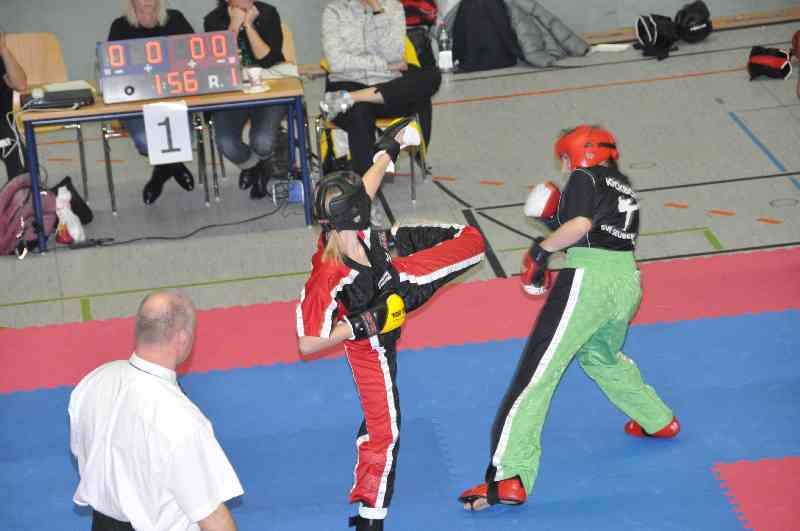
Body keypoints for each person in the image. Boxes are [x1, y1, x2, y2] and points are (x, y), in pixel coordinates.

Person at [458, 125, 681, 512]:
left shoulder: (585, 176)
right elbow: (598, 235)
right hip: (627, 282)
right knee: (601, 357)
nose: (563, 167)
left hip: (589, 282)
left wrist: (541, 251)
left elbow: (580, 227)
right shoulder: (623, 186)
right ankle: (657, 418)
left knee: (536, 374)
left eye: (565, 157)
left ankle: (509, 476)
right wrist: (554, 222)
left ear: (583, 152)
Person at [296, 119, 485, 530]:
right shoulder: (328, 276)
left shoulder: (351, 226)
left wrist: (390, 147)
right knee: (385, 430)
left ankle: (398, 267)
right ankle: (370, 518)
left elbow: (367, 184)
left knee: (470, 239)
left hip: (393, 272)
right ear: (352, 214)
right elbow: (308, 342)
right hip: (372, 347)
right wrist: (363, 324)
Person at [68, 291, 243, 530]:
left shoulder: (93, 381)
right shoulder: (183, 422)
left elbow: (81, 452)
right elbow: (213, 518)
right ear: (182, 339)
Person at [320, 0, 441, 177]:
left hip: (386, 87)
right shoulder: (334, 11)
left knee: (432, 75)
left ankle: (353, 97)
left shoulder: (393, 7)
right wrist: (385, 65)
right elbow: (337, 63)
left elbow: (394, 54)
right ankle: (366, 187)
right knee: (360, 111)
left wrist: (378, 11)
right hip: (347, 82)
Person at [107, 0, 196, 205]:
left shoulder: (176, 20)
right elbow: (112, 71)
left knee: (185, 139)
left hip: (174, 99)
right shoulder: (120, 26)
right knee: (145, 141)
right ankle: (174, 166)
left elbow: (194, 59)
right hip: (137, 104)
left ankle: (161, 172)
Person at [204, 0, 287, 199]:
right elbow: (218, 62)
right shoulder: (213, 20)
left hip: (268, 90)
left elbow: (268, 60)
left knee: (262, 142)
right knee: (226, 142)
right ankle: (256, 167)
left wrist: (248, 25)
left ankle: (262, 160)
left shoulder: (267, 13)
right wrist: (234, 25)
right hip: (232, 93)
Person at [0, 28, 28, 181]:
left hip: (4, 126)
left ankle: (20, 193)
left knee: (25, 171)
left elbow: (21, 84)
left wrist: (3, 50)